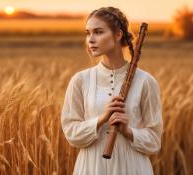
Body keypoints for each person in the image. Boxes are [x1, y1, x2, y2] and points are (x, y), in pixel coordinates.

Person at [60, 6, 163, 175]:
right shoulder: (80, 81)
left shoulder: (145, 81)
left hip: (132, 168)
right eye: (88, 33)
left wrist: (127, 131)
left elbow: (154, 141)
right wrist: (101, 119)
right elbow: (71, 133)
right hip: (91, 168)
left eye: (98, 32)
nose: (90, 39)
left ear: (118, 34)